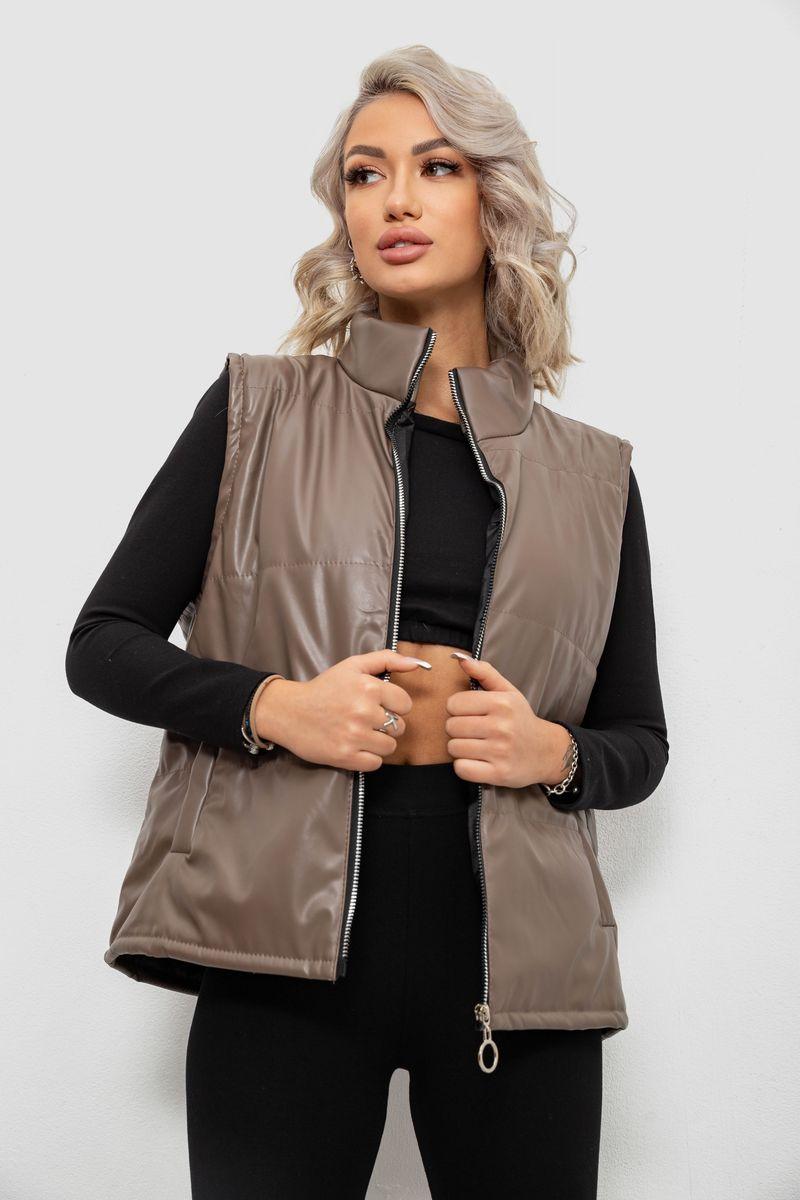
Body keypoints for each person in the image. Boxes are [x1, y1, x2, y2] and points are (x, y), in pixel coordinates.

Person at [65, 45, 668, 1200]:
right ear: (341, 212)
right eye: (363, 172)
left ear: (494, 201)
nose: (393, 199)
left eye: (434, 167)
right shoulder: (256, 413)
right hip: (278, 953)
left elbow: (637, 741)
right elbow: (103, 642)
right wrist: (272, 705)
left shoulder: (594, 477)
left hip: (517, 976)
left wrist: (552, 753)